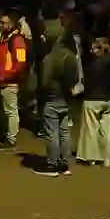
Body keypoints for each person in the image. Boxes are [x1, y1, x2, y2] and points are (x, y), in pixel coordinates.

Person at [35, 20, 82, 177]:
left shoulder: (50, 58)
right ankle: (64, 164)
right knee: (64, 132)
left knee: (52, 133)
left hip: (52, 98)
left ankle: (52, 165)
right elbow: (75, 79)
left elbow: (44, 82)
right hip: (67, 99)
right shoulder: (71, 56)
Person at [76, 38, 110, 166]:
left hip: (92, 99)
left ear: (98, 49)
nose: (91, 51)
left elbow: (87, 83)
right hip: (108, 99)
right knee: (106, 130)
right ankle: (106, 157)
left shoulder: (93, 65)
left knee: (91, 128)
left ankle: (91, 157)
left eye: (93, 48)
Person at [0, 11, 30, 151]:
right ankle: (8, 137)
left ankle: (11, 140)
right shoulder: (6, 39)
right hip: (3, 81)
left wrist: (7, 76)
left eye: (4, 23)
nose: (1, 25)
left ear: (12, 24)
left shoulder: (16, 40)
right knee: (7, 111)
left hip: (9, 82)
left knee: (11, 111)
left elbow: (21, 63)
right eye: (0, 22)